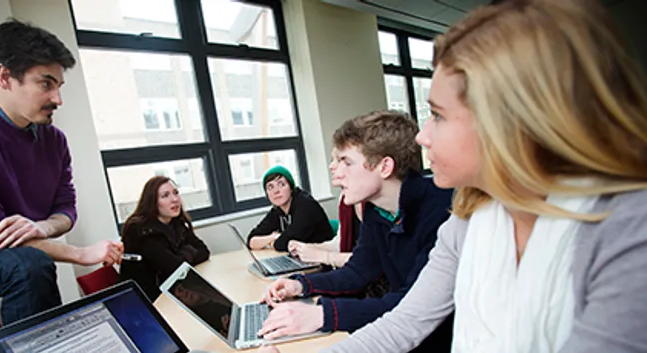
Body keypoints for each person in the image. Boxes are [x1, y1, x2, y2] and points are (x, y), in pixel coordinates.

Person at [265, 0, 647, 352]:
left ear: (509, 122)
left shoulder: (628, 229)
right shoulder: (469, 217)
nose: (422, 135)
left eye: (439, 116)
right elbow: (404, 324)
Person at [0, 19, 123, 325]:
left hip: (22, 251)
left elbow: (66, 209)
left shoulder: (55, 140)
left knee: (30, 261)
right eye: (46, 84)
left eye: (59, 86)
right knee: (29, 266)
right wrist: (81, 254)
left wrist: (41, 227)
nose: (58, 99)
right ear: (4, 76)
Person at [257, 111, 454, 351]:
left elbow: (414, 306)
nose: (335, 171)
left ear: (384, 166)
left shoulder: (442, 210)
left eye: (346, 162)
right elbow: (357, 272)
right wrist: (300, 285)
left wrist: (322, 315)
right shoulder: (375, 210)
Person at [120, 176, 210, 301]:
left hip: (171, 289)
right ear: (152, 202)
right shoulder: (139, 229)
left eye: (176, 193)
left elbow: (204, 251)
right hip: (146, 299)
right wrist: (188, 251)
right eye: (165, 196)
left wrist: (180, 255)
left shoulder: (176, 222)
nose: (175, 199)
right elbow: (174, 268)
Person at [247, 166, 333, 251]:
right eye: (270, 187)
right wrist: (273, 237)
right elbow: (251, 240)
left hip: (324, 258)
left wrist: (275, 242)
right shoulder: (277, 210)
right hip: (301, 258)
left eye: (281, 184)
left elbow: (286, 242)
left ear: (291, 187)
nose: (276, 191)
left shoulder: (306, 204)